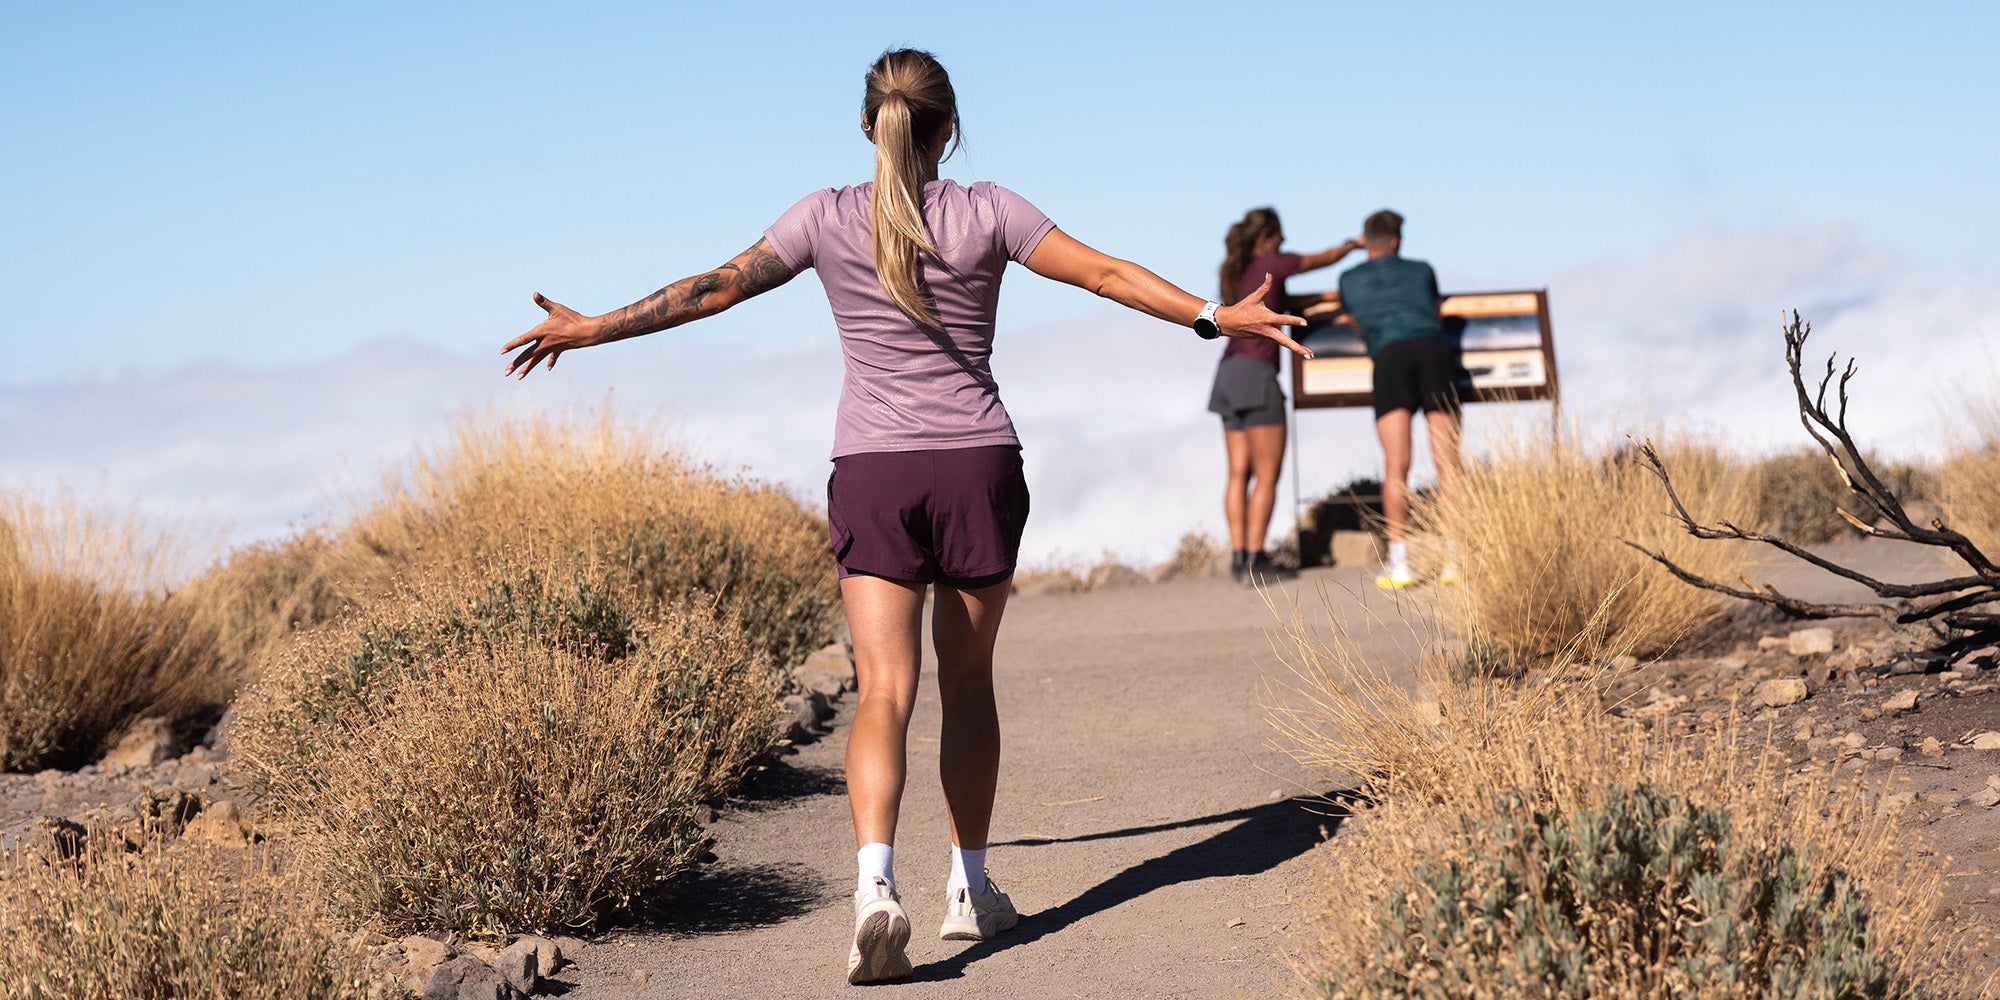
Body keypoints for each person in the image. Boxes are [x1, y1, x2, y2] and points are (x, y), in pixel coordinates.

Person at [501, 49, 1309, 985]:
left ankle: (875, 889)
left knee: (884, 691)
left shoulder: (825, 216)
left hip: (875, 475)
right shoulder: (991, 210)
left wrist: (591, 326)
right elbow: (1105, 276)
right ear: (949, 128)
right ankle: (969, 888)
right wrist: (1215, 316)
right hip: (976, 467)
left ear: (865, 126)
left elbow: (713, 288)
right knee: (967, 685)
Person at [1210, 209, 1360, 585]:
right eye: (1281, 234)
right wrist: (1351, 246)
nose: (1286, 240)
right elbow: (1321, 259)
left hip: (1227, 373)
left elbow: (1278, 300)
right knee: (1266, 475)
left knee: (1237, 474)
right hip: (1258, 374)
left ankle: (1238, 559)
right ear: (1270, 236)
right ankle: (1257, 560)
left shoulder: (1239, 270)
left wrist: (1307, 301)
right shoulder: (1273, 262)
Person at [1335, 209, 1461, 589]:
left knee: (1396, 465)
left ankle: (1400, 562)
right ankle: (1456, 560)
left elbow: (1357, 320)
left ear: (1365, 241)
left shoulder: (1348, 278)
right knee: (1448, 464)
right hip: (1433, 351)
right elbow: (1433, 310)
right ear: (1395, 241)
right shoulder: (1422, 269)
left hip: (1389, 358)